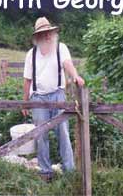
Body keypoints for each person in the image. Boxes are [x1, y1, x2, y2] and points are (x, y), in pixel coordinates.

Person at [22, 17, 85, 182]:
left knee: (63, 132)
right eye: (43, 34)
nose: (47, 36)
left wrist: (76, 76)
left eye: (49, 33)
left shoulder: (61, 48)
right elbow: (27, 80)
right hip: (38, 98)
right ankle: (45, 172)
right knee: (41, 134)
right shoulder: (31, 54)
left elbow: (68, 64)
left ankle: (69, 170)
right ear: (38, 37)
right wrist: (25, 102)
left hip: (58, 95)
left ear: (52, 33)